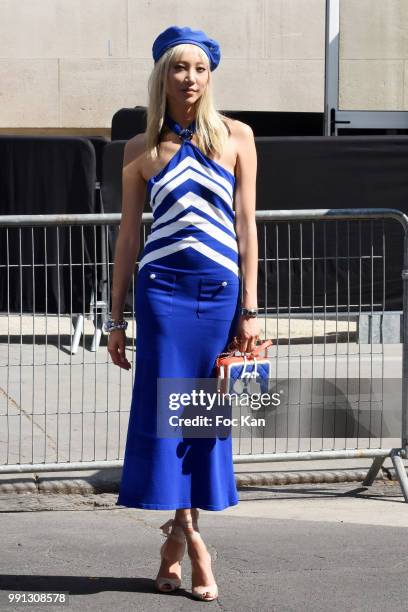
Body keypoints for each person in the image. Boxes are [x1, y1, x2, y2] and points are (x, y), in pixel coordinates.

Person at [105, 25, 259, 602]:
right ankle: (192, 540)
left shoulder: (238, 137)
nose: (189, 78)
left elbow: (247, 229)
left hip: (220, 295)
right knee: (170, 413)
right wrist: (115, 319)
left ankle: (177, 538)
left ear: (210, 75)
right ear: (162, 76)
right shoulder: (140, 150)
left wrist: (250, 310)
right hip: (162, 295)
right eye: (178, 68)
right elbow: (126, 237)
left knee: (204, 419)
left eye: (199, 68)